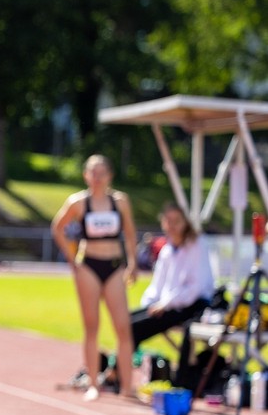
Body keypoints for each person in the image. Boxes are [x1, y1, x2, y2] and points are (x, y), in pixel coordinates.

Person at [51, 154, 139, 401]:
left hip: (114, 266)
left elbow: (131, 233)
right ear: (86, 176)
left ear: (110, 175)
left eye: (102, 173)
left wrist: (132, 263)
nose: (97, 178)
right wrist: (71, 258)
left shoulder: (120, 202)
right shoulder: (78, 202)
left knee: (123, 327)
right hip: (88, 265)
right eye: (93, 173)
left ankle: (126, 388)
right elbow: (58, 227)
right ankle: (93, 384)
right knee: (92, 327)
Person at [131, 200, 214, 378]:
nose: (172, 226)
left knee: (134, 328)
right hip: (169, 304)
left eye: (176, 221)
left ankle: (122, 372)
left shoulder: (197, 245)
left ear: (185, 222)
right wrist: (148, 306)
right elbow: (157, 286)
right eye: (168, 221)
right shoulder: (167, 250)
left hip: (193, 305)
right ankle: (122, 366)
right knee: (127, 320)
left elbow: (195, 288)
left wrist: (165, 304)